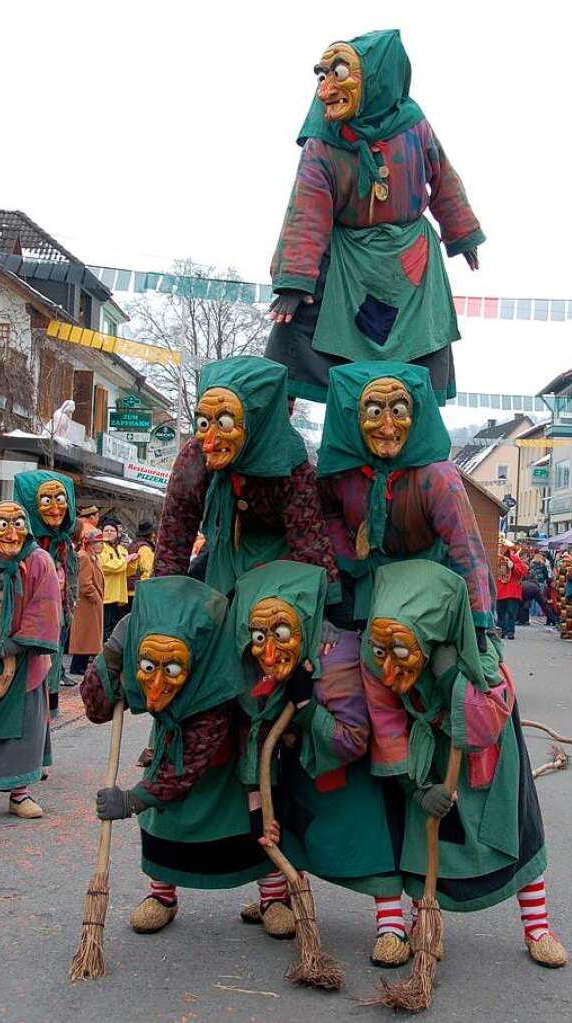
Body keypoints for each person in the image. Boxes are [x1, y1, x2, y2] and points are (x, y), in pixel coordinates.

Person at [362, 561, 567, 968]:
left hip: (486, 755)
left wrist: (452, 677)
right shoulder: (375, 657)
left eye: (400, 652)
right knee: (422, 838)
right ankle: (422, 923)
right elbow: (385, 725)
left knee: (515, 833)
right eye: (381, 653)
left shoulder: (478, 655)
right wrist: (415, 788)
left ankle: (538, 926)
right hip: (424, 760)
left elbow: (483, 723)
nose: (388, 668)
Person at [266, 29, 484, 405]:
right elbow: (307, 210)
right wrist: (293, 282)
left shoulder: (415, 125)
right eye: (322, 76)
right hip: (346, 262)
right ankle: (274, 447)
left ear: (376, 78)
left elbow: (443, 177)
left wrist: (460, 232)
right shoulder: (323, 141)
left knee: (420, 353)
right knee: (290, 338)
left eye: (338, 74)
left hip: (411, 263)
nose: (326, 90)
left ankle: (419, 454)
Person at [231, 562, 406, 963]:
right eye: (260, 638)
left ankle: (391, 922)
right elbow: (253, 739)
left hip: (346, 775)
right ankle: (278, 898)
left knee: (369, 844)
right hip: (297, 776)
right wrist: (258, 806)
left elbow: (352, 739)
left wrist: (308, 704)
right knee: (283, 833)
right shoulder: (253, 666)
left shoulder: (338, 655)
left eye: (279, 635)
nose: (269, 651)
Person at [81, 576, 269, 932]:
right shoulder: (142, 649)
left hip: (225, 757)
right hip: (169, 741)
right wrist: (114, 651)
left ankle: (274, 895)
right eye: (148, 668)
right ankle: (161, 894)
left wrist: (133, 800)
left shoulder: (215, 684)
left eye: (169, 670)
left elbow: (187, 767)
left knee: (250, 821)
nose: (155, 685)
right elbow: (97, 708)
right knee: (165, 822)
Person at [317, 362, 495, 642]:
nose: (388, 429)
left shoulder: (437, 476)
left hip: (428, 586)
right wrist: (347, 569)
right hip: (369, 585)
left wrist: (477, 618)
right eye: (375, 412)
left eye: (398, 412)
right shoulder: (340, 474)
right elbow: (328, 514)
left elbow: (465, 545)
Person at [153, 356, 339, 605]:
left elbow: (309, 540)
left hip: (277, 571)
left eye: (225, 423)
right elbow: (175, 532)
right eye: (204, 423)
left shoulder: (289, 461)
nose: (210, 441)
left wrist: (325, 608)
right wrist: (163, 600)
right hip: (220, 555)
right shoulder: (194, 456)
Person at [0, 502, 61, 819]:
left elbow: (47, 605)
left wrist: (17, 642)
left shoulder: (38, 561)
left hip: (23, 662)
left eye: (19, 523)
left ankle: (19, 792)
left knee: (23, 727)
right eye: (3, 525)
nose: (12, 533)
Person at [12, 470, 78, 709]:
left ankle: (48, 701)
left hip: (56, 617)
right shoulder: (22, 546)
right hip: (26, 624)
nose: (55, 509)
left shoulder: (64, 545)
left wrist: (68, 609)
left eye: (60, 500)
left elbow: (71, 582)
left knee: (50, 662)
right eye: (46, 500)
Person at [69, 530, 104, 677]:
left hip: (90, 604)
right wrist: (95, 597)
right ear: (91, 544)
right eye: (99, 542)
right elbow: (84, 583)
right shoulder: (84, 557)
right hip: (86, 604)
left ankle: (80, 664)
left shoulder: (91, 556)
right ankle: (77, 666)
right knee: (84, 636)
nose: (102, 545)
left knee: (87, 636)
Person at [100, 518, 130, 641]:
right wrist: (125, 562)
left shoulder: (122, 549)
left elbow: (127, 571)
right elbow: (106, 565)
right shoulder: (101, 548)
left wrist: (132, 562)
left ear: (118, 533)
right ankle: (103, 652)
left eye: (112, 530)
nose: (109, 532)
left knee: (115, 624)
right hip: (106, 593)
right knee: (105, 624)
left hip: (119, 593)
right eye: (106, 530)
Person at [495, 538, 527, 640]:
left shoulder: (514, 558)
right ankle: (501, 631)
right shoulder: (496, 558)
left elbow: (522, 572)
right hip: (500, 590)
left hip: (512, 591)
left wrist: (513, 566)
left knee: (511, 613)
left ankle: (510, 631)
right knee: (501, 612)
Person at [127, 521, 155, 607]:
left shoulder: (132, 545)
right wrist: (146, 590)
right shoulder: (145, 548)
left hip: (128, 589)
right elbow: (147, 571)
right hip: (138, 591)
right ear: (151, 534)